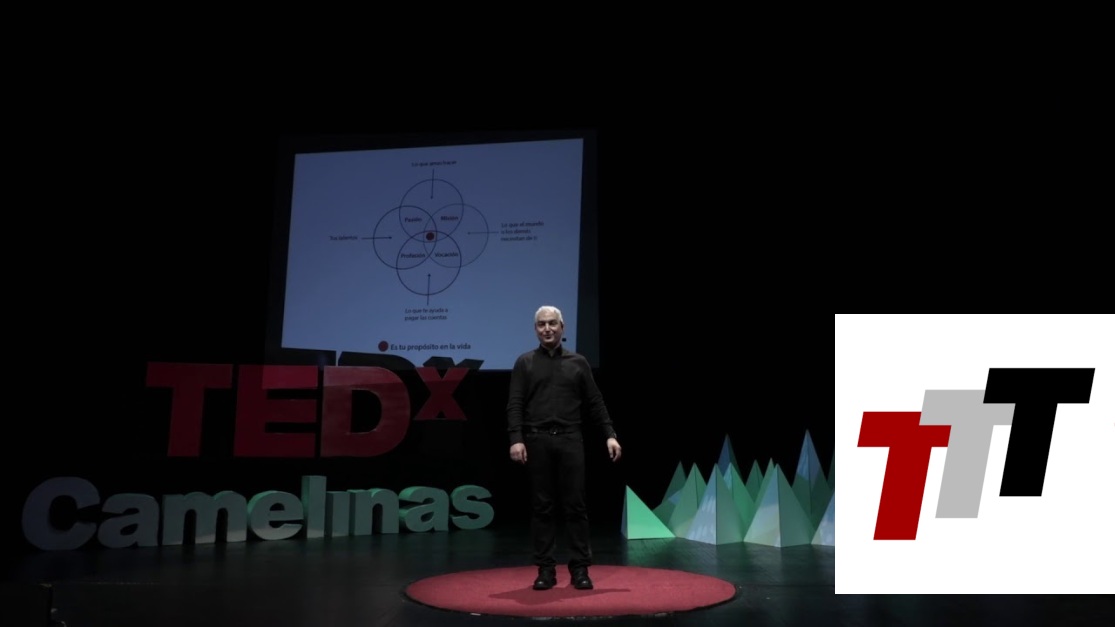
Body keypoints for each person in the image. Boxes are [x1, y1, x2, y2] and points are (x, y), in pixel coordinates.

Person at [506, 305, 622, 591]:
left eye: (552, 323)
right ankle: (545, 570)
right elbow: (515, 403)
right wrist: (516, 438)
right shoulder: (524, 362)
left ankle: (580, 569)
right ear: (536, 329)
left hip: (571, 439)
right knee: (542, 507)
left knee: (575, 506)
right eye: (541, 324)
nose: (547, 328)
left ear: (562, 327)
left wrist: (609, 434)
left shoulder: (578, 362)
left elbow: (595, 401)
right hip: (537, 440)